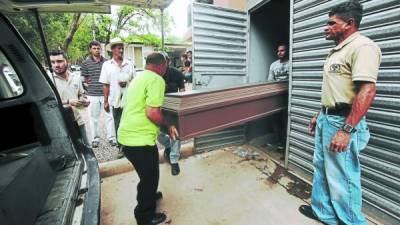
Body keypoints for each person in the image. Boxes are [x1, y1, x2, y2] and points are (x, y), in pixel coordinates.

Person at [298, 1, 381, 225]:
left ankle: (352, 222)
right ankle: (324, 213)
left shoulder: (362, 47)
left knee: (343, 177)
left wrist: (346, 129)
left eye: (331, 23)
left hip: (343, 122)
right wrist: (320, 113)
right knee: (321, 167)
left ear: (350, 24)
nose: (326, 27)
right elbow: (336, 89)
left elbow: (367, 89)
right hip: (328, 117)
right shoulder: (338, 50)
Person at [117, 52, 179, 225]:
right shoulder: (156, 79)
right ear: (162, 65)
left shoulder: (139, 77)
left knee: (147, 176)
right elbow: (152, 112)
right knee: (149, 179)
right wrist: (168, 126)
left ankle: (150, 196)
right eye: (166, 65)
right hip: (138, 141)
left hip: (127, 137)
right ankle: (144, 216)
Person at [99, 37, 135, 157]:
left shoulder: (129, 64)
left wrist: (127, 83)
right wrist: (105, 101)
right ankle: (121, 147)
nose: (121, 50)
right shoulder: (107, 65)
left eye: (122, 48)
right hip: (115, 100)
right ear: (113, 50)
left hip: (129, 100)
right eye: (119, 48)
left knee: (130, 123)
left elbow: (135, 82)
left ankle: (131, 146)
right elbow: (105, 84)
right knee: (118, 124)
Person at [49, 50, 90, 147]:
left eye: (59, 61)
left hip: (78, 121)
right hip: (59, 125)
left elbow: (81, 94)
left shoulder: (76, 77)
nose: (56, 65)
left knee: (86, 148)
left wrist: (84, 100)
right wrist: (68, 101)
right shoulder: (48, 79)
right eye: (53, 62)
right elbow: (47, 102)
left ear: (67, 61)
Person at [81, 40, 116, 148]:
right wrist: (86, 84)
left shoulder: (106, 62)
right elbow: (84, 78)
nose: (96, 50)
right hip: (92, 94)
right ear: (90, 50)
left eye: (98, 48)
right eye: (94, 48)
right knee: (93, 118)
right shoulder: (85, 63)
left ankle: (112, 138)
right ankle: (95, 139)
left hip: (106, 94)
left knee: (110, 117)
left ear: (101, 49)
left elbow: (110, 77)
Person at [158, 52, 185, 176]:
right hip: (158, 107)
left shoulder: (177, 73)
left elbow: (183, 90)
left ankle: (174, 161)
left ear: (168, 61)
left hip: (173, 109)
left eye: (165, 61)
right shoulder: (155, 75)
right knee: (157, 133)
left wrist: (182, 107)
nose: (163, 64)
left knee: (175, 134)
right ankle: (168, 146)